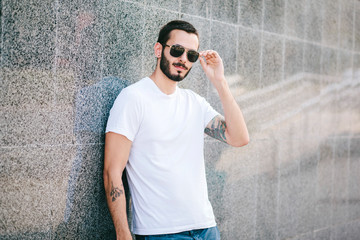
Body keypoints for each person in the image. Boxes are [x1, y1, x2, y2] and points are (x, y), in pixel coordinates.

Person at [103, 20, 249, 240]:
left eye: (191, 55)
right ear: (159, 49)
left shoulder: (195, 103)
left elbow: (239, 138)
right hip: (161, 233)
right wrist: (122, 233)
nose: (183, 59)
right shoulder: (133, 98)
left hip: (207, 228)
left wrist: (220, 81)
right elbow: (112, 172)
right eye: (178, 50)